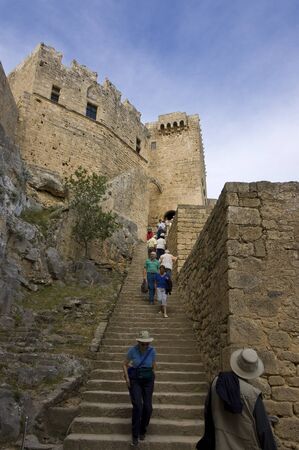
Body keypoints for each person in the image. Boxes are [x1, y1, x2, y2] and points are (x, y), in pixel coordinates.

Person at [196, 348, 277, 450]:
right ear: (253, 371)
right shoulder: (253, 394)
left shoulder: (216, 383)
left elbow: (208, 413)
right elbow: (264, 431)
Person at [123, 330, 156, 447]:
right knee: (138, 406)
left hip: (148, 380)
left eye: (147, 344)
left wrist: (151, 376)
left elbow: (153, 366)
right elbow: (124, 364)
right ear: (138, 342)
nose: (145, 346)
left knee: (148, 407)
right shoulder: (132, 350)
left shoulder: (152, 351)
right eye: (143, 343)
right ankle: (135, 435)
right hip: (135, 380)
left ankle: (143, 429)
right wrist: (127, 378)